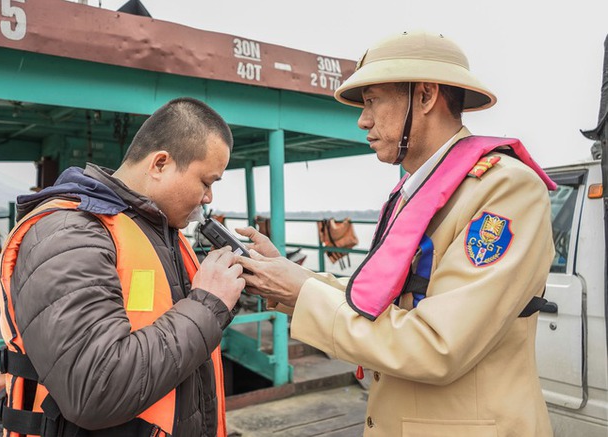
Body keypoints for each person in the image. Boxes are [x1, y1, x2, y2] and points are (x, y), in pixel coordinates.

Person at [237, 31, 556, 436]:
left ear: (425, 96)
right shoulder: (419, 191)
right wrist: (293, 278)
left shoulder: (505, 188)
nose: (362, 119)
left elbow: (437, 345)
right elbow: (382, 302)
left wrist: (304, 294)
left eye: (372, 100)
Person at [0, 98, 244, 437]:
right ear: (159, 163)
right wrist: (208, 303)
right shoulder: (69, 232)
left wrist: (229, 294)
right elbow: (95, 388)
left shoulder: (163, 232)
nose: (209, 198)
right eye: (206, 181)